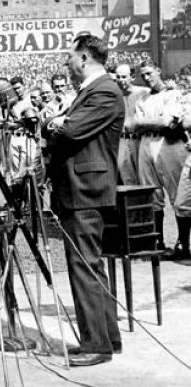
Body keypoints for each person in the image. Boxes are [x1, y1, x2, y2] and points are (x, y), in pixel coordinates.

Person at [44, 34, 123, 367]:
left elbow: (71, 132)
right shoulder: (92, 91)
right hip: (81, 188)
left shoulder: (104, 90)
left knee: (83, 266)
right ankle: (107, 338)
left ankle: (96, 345)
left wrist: (55, 123)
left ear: (86, 57)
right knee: (92, 266)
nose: (67, 63)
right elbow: (68, 127)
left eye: (71, 57)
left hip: (85, 190)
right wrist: (59, 122)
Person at [135, 60, 189, 255]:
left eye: (149, 73)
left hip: (169, 144)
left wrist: (143, 123)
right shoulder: (143, 98)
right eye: (143, 75)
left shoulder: (173, 93)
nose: (147, 78)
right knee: (152, 194)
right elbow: (141, 123)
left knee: (179, 195)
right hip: (146, 144)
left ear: (158, 71)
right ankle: (158, 241)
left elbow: (167, 123)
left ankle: (183, 242)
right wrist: (148, 123)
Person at [114, 64, 149, 185]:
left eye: (124, 76)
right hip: (121, 140)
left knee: (145, 176)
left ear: (132, 77)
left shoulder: (144, 92)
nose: (121, 80)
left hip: (139, 139)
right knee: (126, 177)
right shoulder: (114, 94)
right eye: (118, 77)